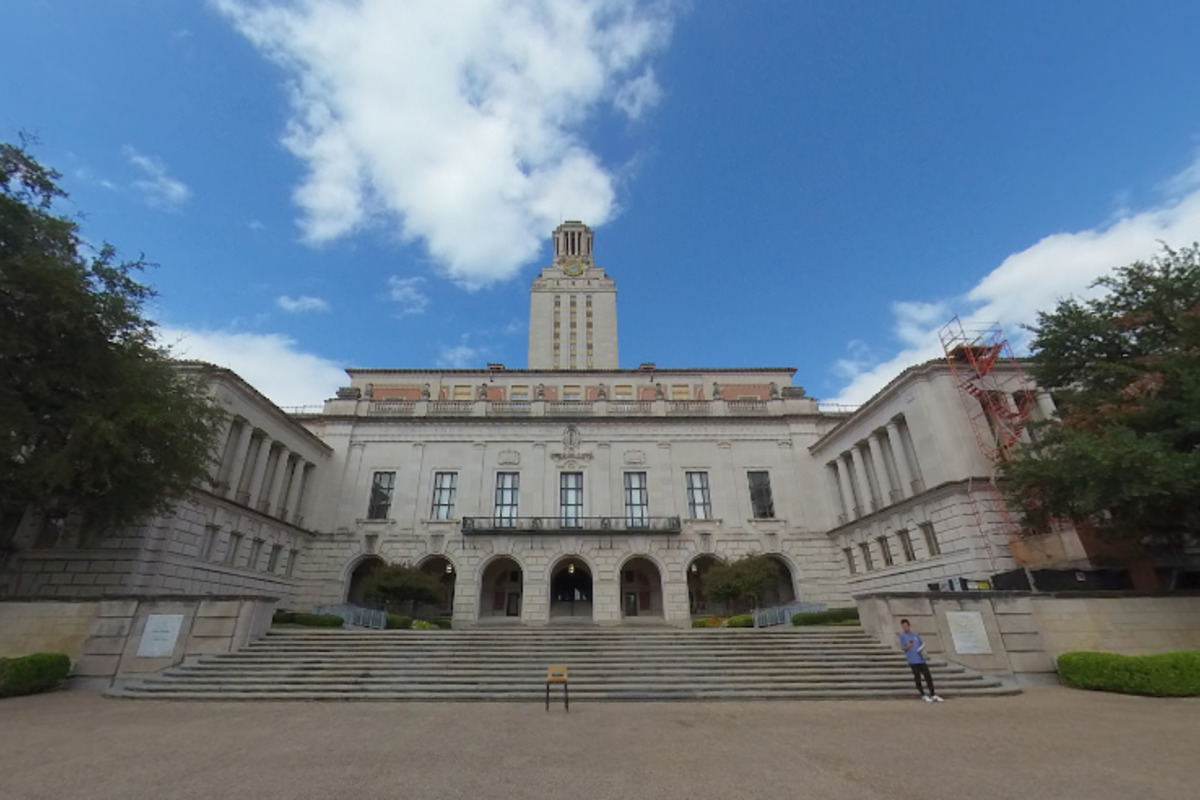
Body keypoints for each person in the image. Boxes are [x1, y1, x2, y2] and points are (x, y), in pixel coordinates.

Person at [899, 618, 942, 702]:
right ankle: (923, 694)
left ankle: (933, 694)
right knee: (917, 677)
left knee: (928, 676)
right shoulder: (902, 636)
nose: (905, 628)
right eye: (903, 627)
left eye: (906, 626)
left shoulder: (915, 635)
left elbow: (921, 644)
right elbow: (902, 647)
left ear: (909, 626)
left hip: (920, 658)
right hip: (912, 660)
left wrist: (922, 648)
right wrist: (908, 645)